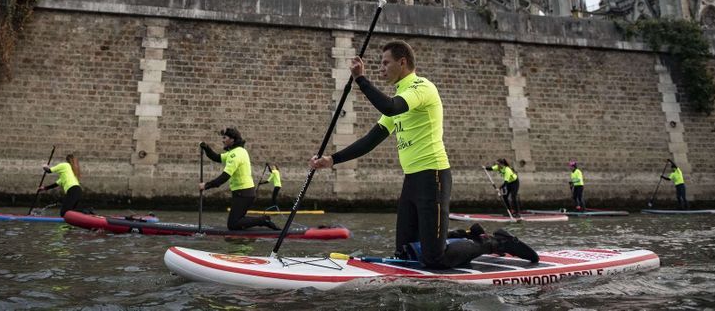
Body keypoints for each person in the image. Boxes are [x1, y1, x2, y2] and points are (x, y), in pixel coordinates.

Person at [310, 40, 538, 267]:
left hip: (433, 177)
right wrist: (332, 160)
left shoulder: (421, 88)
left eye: (385, 63)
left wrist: (360, 78)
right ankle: (467, 234)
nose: (381, 68)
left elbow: (390, 107)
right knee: (404, 252)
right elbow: (370, 141)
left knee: (435, 259)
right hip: (412, 180)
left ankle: (497, 242)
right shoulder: (400, 97)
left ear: (402, 62)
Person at [200, 128, 278, 230]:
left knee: (232, 225)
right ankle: (259, 223)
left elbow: (224, 177)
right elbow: (216, 157)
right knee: (237, 221)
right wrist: (206, 148)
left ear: (232, 139)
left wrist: (206, 185)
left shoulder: (235, 154)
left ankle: (263, 220)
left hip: (243, 193)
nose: (222, 140)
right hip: (243, 193)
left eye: (225, 138)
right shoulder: (238, 151)